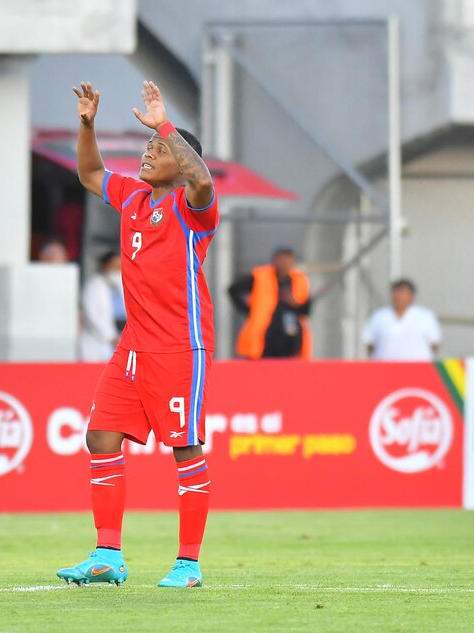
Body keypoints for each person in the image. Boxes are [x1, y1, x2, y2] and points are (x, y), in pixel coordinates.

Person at [57, 80, 218, 589]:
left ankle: (188, 565)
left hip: (179, 345)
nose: (149, 155)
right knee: (99, 436)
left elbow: (204, 181)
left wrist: (166, 126)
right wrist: (87, 123)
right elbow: (88, 172)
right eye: (148, 148)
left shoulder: (193, 209)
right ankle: (107, 556)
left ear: (180, 158)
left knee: (184, 447)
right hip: (134, 345)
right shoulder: (131, 197)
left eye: (159, 150)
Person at [229, 246, 312, 359]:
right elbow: (234, 290)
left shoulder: (299, 280)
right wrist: (249, 311)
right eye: (282, 260)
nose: (285, 264)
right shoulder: (260, 276)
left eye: (288, 261)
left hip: (291, 340)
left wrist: (294, 303)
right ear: (275, 261)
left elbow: (306, 310)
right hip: (265, 339)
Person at [362, 278, 441, 361]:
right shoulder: (379, 316)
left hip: (417, 368)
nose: (398, 296)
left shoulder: (425, 316)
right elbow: (369, 343)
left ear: (411, 296)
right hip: (385, 368)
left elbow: (434, 343)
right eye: (396, 292)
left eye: (402, 293)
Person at [79, 251, 125, 362]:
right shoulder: (94, 285)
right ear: (105, 266)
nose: (117, 270)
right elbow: (92, 316)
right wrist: (112, 337)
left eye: (119, 267)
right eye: (114, 266)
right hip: (96, 343)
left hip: (121, 339)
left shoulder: (122, 285)